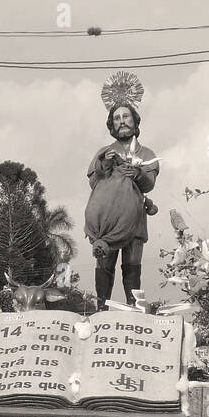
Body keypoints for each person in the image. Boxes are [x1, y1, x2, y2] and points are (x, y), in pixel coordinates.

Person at [85, 88, 159, 310]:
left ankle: (132, 308)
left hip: (134, 219)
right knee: (105, 261)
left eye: (125, 116)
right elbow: (93, 182)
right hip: (107, 220)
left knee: (132, 264)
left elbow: (150, 183)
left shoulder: (146, 153)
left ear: (134, 121)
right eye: (116, 118)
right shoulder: (104, 151)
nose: (122, 121)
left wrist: (137, 173)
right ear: (112, 125)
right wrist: (104, 164)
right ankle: (101, 307)